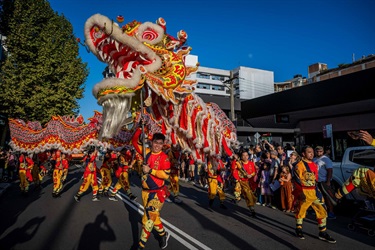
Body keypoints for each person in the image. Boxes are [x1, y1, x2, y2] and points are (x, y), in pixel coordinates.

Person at [293, 146, 336, 243]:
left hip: (315, 191)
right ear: (303, 154)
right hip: (304, 191)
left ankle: (323, 232)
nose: (312, 154)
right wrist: (300, 192)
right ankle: (298, 229)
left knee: (322, 210)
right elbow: (296, 180)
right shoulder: (299, 165)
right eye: (309, 152)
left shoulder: (314, 164)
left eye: (312, 152)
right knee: (301, 210)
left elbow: (315, 179)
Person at [138, 132, 171, 250]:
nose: (157, 145)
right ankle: (163, 234)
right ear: (152, 142)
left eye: (160, 143)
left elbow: (166, 175)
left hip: (158, 192)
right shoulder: (146, 152)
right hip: (145, 192)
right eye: (155, 142)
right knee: (154, 216)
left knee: (148, 218)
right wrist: (138, 124)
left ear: (163, 145)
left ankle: (141, 245)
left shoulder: (164, 157)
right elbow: (134, 142)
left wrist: (150, 171)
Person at [313, 146, 336, 219]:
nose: (319, 153)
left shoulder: (326, 159)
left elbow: (330, 170)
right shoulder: (314, 159)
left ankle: (331, 212)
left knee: (327, 197)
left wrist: (328, 181)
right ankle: (320, 210)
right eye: (317, 151)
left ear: (323, 152)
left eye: (320, 151)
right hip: (316, 181)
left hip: (324, 181)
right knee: (318, 197)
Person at [232, 150, 257, 217]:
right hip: (241, 181)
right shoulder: (239, 163)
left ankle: (251, 207)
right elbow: (233, 169)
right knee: (243, 193)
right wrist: (234, 160)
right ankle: (252, 209)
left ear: (248, 156)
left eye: (246, 155)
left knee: (250, 196)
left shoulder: (251, 163)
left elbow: (254, 172)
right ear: (241, 156)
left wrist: (251, 175)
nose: (245, 157)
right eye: (243, 155)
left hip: (249, 182)